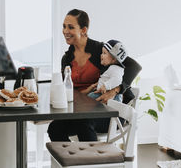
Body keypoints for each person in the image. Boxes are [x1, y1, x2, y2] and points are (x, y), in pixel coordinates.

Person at [47, 9, 141, 142]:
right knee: (55, 128)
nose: (65, 31)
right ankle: (74, 159)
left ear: (84, 30)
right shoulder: (66, 58)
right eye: (64, 26)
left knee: (83, 122)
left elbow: (134, 66)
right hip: (81, 111)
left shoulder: (102, 50)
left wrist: (114, 91)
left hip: (110, 110)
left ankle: (90, 160)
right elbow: (67, 90)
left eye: (71, 27)